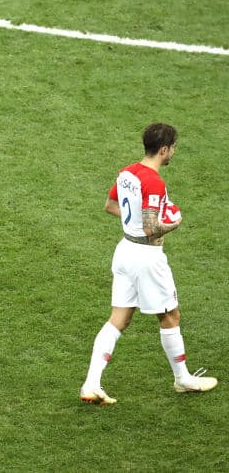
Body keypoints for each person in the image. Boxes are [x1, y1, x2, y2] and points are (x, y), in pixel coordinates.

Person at [79, 123, 217, 405]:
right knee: (170, 317)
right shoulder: (154, 182)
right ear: (164, 149)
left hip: (125, 251)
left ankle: (91, 383)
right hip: (146, 258)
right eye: (173, 148)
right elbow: (152, 228)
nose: (173, 153)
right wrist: (174, 223)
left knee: (118, 319)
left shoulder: (127, 172)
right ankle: (183, 378)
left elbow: (110, 206)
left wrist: (135, 223)